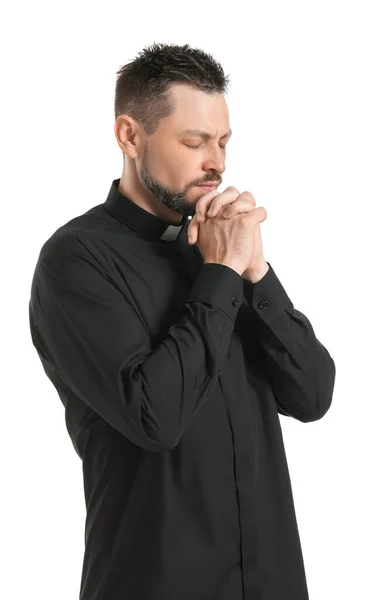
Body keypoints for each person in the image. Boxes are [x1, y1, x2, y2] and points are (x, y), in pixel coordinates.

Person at [28, 42, 336, 600]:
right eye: (194, 142)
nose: (216, 161)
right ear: (129, 136)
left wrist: (256, 270)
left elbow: (312, 394)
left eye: (222, 142)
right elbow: (155, 417)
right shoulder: (75, 261)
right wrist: (221, 273)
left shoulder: (222, 252)